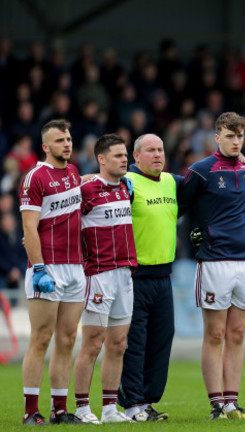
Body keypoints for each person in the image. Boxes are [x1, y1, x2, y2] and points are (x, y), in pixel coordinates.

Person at [178, 112, 245, 420]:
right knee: (214, 335)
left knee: (237, 334)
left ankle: (232, 404)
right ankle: (216, 404)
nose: (235, 141)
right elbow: (182, 206)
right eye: (230, 135)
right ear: (217, 137)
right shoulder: (201, 171)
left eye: (239, 136)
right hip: (214, 260)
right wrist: (194, 234)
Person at [20, 119, 84, 425]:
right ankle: (31, 411)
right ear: (46, 146)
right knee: (41, 337)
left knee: (68, 339)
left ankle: (60, 409)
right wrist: (39, 267)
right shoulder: (35, 177)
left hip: (75, 267)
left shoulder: (73, 172)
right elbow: (29, 228)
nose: (67, 144)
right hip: (48, 267)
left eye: (68, 139)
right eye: (60, 140)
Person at [118, 133, 182, 421]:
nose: (157, 155)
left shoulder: (171, 182)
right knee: (135, 342)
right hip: (135, 276)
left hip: (164, 275)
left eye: (161, 150)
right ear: (136, 157)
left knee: (161, 339)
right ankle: (132, 404)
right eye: (150, 150)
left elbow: (204, 184)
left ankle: (146, 401)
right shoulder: (127, 184)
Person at [73, 134, 137, 423]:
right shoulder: (85, 189)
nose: (125, 160)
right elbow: (59, 216)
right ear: (101, 159)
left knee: (118, 343)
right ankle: (82, 408)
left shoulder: (126, 186)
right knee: (93, 342)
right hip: (98, 273)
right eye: (118, 156)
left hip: (125, 272)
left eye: (125, 155)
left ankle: (110, 409)